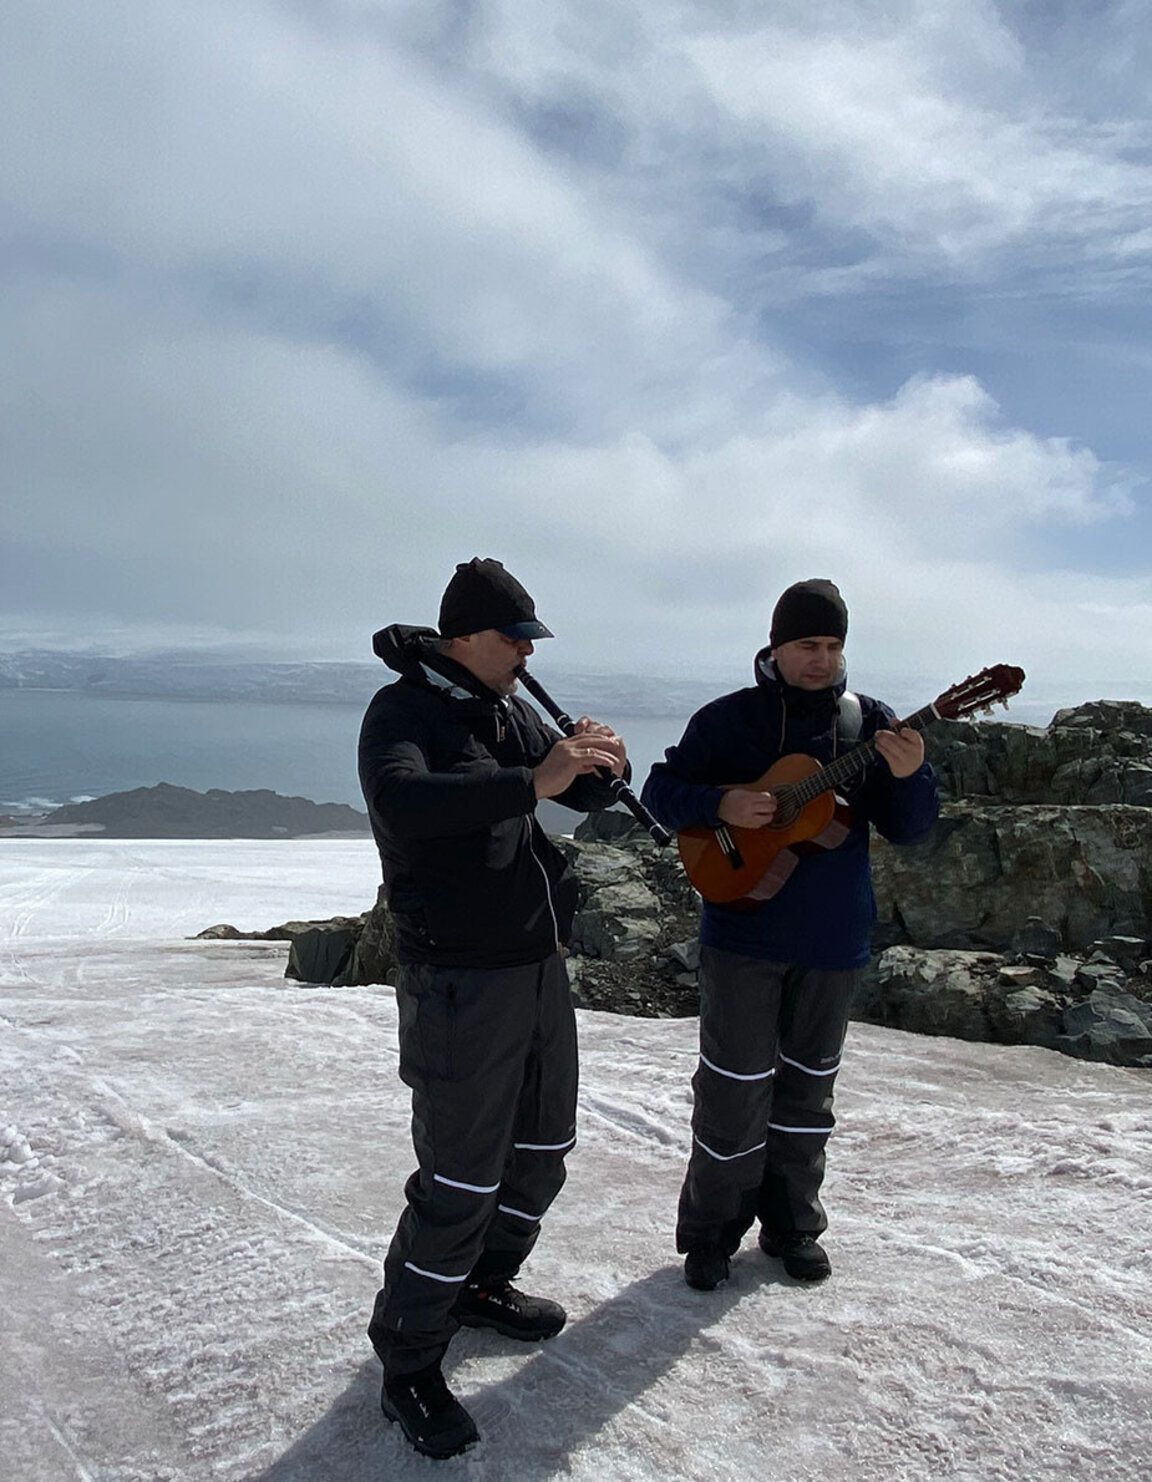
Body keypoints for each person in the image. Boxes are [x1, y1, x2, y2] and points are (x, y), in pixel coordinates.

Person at [359, 557, 628, 1460]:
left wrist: (593, 765)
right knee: (462, 1176)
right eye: (515, 637)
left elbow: (563, 791)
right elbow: (404, 804)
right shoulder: (404, 711)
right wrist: (536, 780)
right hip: (458, 978)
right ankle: (409, 1360)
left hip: (534, 964)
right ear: (466, 636)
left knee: (544, 1145)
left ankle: (481, 1285)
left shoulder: (504, 707)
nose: (525, 651)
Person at [640, 579, 938, 1292]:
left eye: (834, 647)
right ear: (776, 646)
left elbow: (913, 827)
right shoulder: (728, 721)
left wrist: (912, 775)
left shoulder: (868, 723)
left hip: (833, 939)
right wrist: (723, 803)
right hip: (742, 934)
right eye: (809, 645)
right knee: (732, 1090)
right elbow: (660, 792)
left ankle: (792, 1227)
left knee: (808, 1094)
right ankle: (711, 1234)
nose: (822, 660)